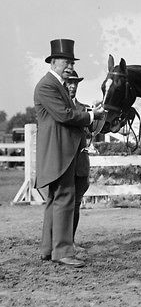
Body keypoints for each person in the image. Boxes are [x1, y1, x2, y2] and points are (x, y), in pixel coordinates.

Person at [34, 39, 105, 267]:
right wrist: (92, 116)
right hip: (59, 154)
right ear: (53, 62)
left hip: (61, 153)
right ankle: (63, 251)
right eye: (66, 62)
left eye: (71, 62)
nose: (69, 67)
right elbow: (65, 115)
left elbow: (69, 114)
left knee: (55, 200)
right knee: (64, 199)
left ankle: (48, 249)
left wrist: (92, 113)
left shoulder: (57, 86)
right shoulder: (48, 86)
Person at [65, 70, 91, 249]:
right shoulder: (59, 108)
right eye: (69, 82)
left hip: (81, 164)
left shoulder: (85, 108)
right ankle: (60, 242)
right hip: (64, 163)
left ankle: (71, 241)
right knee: (62, 204)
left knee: (76, 204)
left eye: (75, 83)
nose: (73, 86)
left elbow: (96, 129)